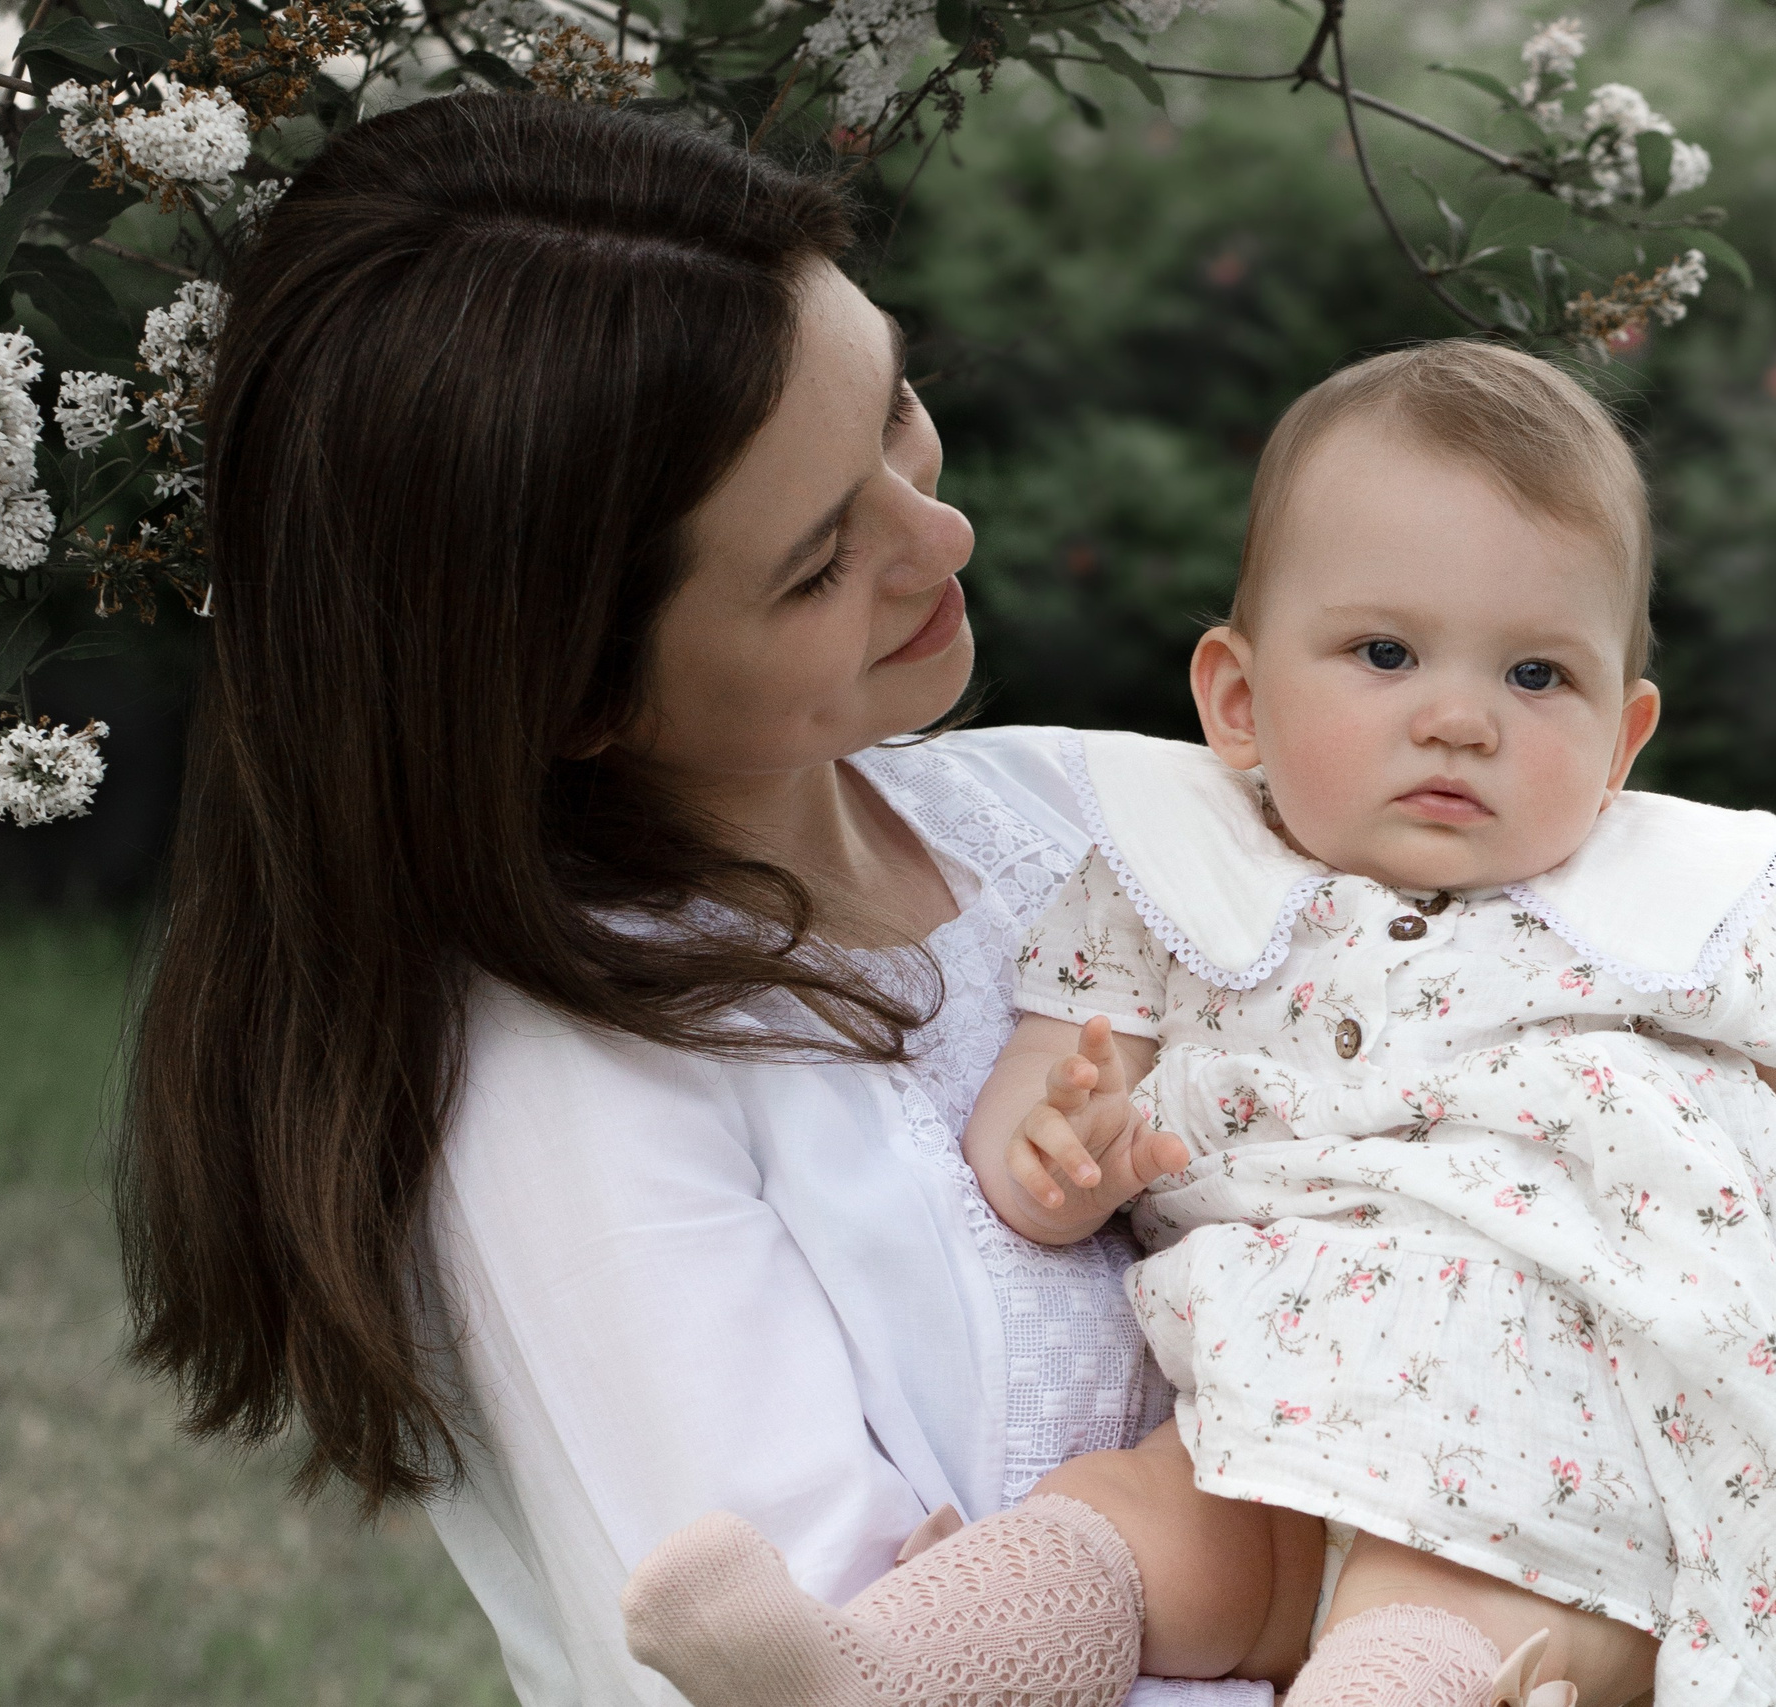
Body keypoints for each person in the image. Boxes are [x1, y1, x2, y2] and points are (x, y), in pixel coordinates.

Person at [621, 343, 1776, 1707]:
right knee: (1117, 1532)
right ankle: (865, 1676)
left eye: (1536, 678)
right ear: (1239, 701)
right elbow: (1040, 1117)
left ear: (1624, 739)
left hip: (1540, 1485)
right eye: (1385, 652)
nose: (1458, 719)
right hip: (1257, 1432)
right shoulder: (1177, 891)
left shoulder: (1653, 909)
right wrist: (1060, 1157)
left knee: (1419, 1643)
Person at [112, 94, 1280, 1707]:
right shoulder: (573, 1096)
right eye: (815, 565)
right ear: (576, 695)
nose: (941, 532)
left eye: (894, 408)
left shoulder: (1079, 809)